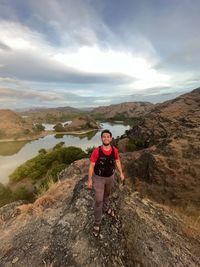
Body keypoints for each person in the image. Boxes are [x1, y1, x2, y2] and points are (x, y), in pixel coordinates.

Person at [87, 129, 125, 237]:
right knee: (99, 200)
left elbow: (117, 161)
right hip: (98, 178)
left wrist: (121, 173)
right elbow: (91, 165)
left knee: (107, 194)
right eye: (104, 136)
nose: (106, 138)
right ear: (101, 138)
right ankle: (97, 222)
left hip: (110, 177)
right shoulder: (97, 151)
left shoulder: (114, 150)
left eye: (108, 137)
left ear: (111, 138)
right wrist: (90, 179)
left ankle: (106, 207)